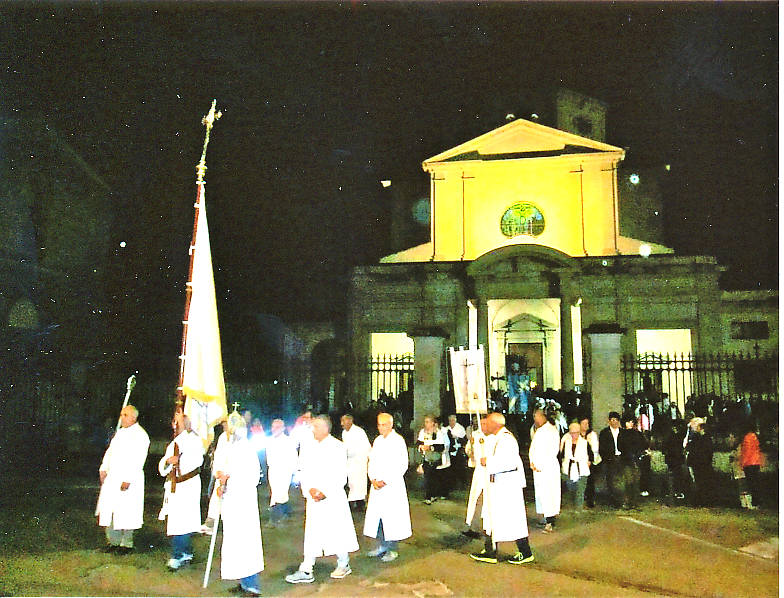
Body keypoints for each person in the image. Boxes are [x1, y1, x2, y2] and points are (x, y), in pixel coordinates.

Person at [285, 415, 358, 584]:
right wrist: (309, 489)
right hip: (313, 498)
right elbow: (302, 470)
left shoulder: (337, 446)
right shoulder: (308, 446)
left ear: (326, 428)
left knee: (337, 530)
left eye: (316, 426)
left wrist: (325, 491)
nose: (313, 429)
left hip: (332, 498)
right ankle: (306, 568)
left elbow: (340, 474)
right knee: (312, 533)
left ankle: (344, 563)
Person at [469, 412, 534, 566]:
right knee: (490, 517)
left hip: (506, 487)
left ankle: (525, 552)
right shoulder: (496, 438)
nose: (486, 426)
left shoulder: (507, 440)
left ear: (496, 424)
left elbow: (508, 463)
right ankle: (490, 550)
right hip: (497, 485)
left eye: (488, 423)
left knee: (513, 519)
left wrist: (488, 461)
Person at [215, 411, 264, 595]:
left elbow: (252, 477)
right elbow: (223, 469)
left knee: (246, 542)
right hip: (232, 502)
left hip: (243, 503)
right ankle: (243, 582)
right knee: (234, 543)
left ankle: (252, 585)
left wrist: (228, 480)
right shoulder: (231, 447)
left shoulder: (247, 449)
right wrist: (222, 481)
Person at [95, 405, 150, 554]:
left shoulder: (140, 435)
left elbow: (139, 459)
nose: (122, 418)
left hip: (128, 479)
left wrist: (128, 479)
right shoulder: (120, 433)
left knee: (126, 512)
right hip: (113, 477)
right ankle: (113, 541)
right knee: (111, 510)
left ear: (133, 417)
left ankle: (126, 544)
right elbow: (110, 452)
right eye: (121, 415)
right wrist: (103, 468)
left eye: (125, 415)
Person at [158, 409, 204, 570]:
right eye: (174, 422)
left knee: (182, 522)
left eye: (178, 422)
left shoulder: (194, 440)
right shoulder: (174, 442)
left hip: (188, 486)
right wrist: (168, 462)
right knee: (178, 522)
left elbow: (196, 460)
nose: (175, 425)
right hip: (175, 487)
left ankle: (177, 555)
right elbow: (164, 463)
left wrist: (179, 461)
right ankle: (185, 552)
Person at [364, 412, 412, 562]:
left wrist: (385, 481)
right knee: (379, 518)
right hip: (377, 487)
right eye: (379, 425)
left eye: (384, 425)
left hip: (391, 487)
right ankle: (382, 545)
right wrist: (373, 479)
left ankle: (392, 549)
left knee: (392, 519)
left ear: (391, 425)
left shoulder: (398, 441)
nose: (381, 428)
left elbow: (402, 464)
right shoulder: (378, 441)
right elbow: (371, 461)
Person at [529, 408, 560, 532]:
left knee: (549, 494)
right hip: (538, 469)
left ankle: (550, 522)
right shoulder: (539, 431)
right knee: (541, 494)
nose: (535, 419)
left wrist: (540, 464)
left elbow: (552, 451)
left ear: (542, 417)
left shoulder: (551, 431)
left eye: (536, 417)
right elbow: (534, 448)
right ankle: (545, 518)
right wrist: (533, 462)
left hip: (548, 468)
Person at [462, 415, 494, 538]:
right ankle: (472, 525)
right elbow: (469, 452)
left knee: (488, 499)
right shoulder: (475, 435)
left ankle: (489, 527)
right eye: (481, 423)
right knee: (475, 498)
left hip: (491, 470)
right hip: (479, 471)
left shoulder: (494, 436)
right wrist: (470, 447)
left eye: (485, 423)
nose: (482, 426)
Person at [266, 418, 297, 523]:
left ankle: (274, 518)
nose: (274, 429)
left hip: (284, 471)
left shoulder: (288, 441)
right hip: (273, 471)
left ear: (283, 428)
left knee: (280, 493)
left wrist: (293, 472)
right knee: (275, 493)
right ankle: (286, 512)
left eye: (277, 427)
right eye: (273, 427)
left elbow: (293, 457)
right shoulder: (269, 441)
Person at [201, 417, 229, 535]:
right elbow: (218, 455)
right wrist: (217, 471)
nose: (225, 427)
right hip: (220, 475)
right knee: (215, 501)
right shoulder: (222, 437)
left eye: (226, 424)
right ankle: (210, 523)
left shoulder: (238, 440)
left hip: (230, 476)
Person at [340, 414, 371, 510]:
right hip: (350, 461)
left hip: (359, 460)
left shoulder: (359, 432)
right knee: (352, 483)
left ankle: (360, 503)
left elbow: (365, 447)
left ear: (350, 421)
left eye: (343, 421)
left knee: (359, 483)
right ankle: (352, 502)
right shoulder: (344, 433)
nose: (342, 424)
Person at [416, 415, 449, 504]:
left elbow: (441, 447)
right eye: (425, 422)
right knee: (428, 477)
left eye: (427, 422)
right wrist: (421, 446)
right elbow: (419, 442)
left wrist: (430, 447)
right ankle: (430, 495)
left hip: (435, 457)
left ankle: (430, 496)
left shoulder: (439, 433)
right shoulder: (423, 432)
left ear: (433, 423)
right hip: (426, 457)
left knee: (432, 477)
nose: (425, 424)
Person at [618, 414, 648, 509]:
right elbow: (620, 447)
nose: (630, 424)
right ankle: (628, 501)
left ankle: (634, 501)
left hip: (636, 460)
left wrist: (638, 453)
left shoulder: (637, 434)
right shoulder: (622, 434)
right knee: (629, 481)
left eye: (631, 422)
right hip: (626, 460)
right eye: (628, 422)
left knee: (635, 481)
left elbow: (644, 444)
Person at [559, 422, 590, 510]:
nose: (574, 435)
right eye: (572, 433)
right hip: (568, 469)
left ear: (579, 432)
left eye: (576, 433)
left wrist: (587, 464)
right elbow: (562, 455)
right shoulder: (566, 442)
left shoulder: (585, 443)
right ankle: (571, 507)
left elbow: (591, 456)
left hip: (582, 470)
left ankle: (578, 509)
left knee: (580, 491)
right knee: (570, 490)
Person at [685, 417, 713, 507]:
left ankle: (703, 501)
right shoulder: (700, 438)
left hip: (701, 463)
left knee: (702, 482)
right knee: (700, 482)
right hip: (699, 463)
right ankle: (701, 501)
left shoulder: (704, 439)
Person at [598, 411, 623, 507]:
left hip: (621, 458)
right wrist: (607, 458)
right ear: (609, 421)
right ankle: (613, 500)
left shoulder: (623, 432)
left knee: (621, 479)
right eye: (612, 420)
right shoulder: (604, 433)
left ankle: (621, 499)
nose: (614, 422)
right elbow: (602, 448)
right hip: (610, 459)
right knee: (611, 480)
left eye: (616, 420)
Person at [738, 423, 765, 509]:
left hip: (749, 463)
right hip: (756, 462)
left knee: (751, 483)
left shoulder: (747, 438)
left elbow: (746, 452)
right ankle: (757, 502)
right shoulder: (755, 437)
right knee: (756, 483)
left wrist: (742, 464)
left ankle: (754, 502)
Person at [579, 416, 600, 508]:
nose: (585, 425)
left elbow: (595, 448)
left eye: (587, 423)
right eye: (583, 423)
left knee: (590, 481)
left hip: (590, 461)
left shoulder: (592, 435)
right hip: (579, 460)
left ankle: (590, 500)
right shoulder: (576, 434)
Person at [446, 414, 468, 489]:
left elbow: (464, 440)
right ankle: (452, 484)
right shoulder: (447, 428)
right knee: (451, 468)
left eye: (453, 420)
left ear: (455, 420)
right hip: (450, 450)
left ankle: (463, 483)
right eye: (450, 421)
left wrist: (456, 437)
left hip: (459, 450)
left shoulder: (460, 428)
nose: (451, 422)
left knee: (460, 468)